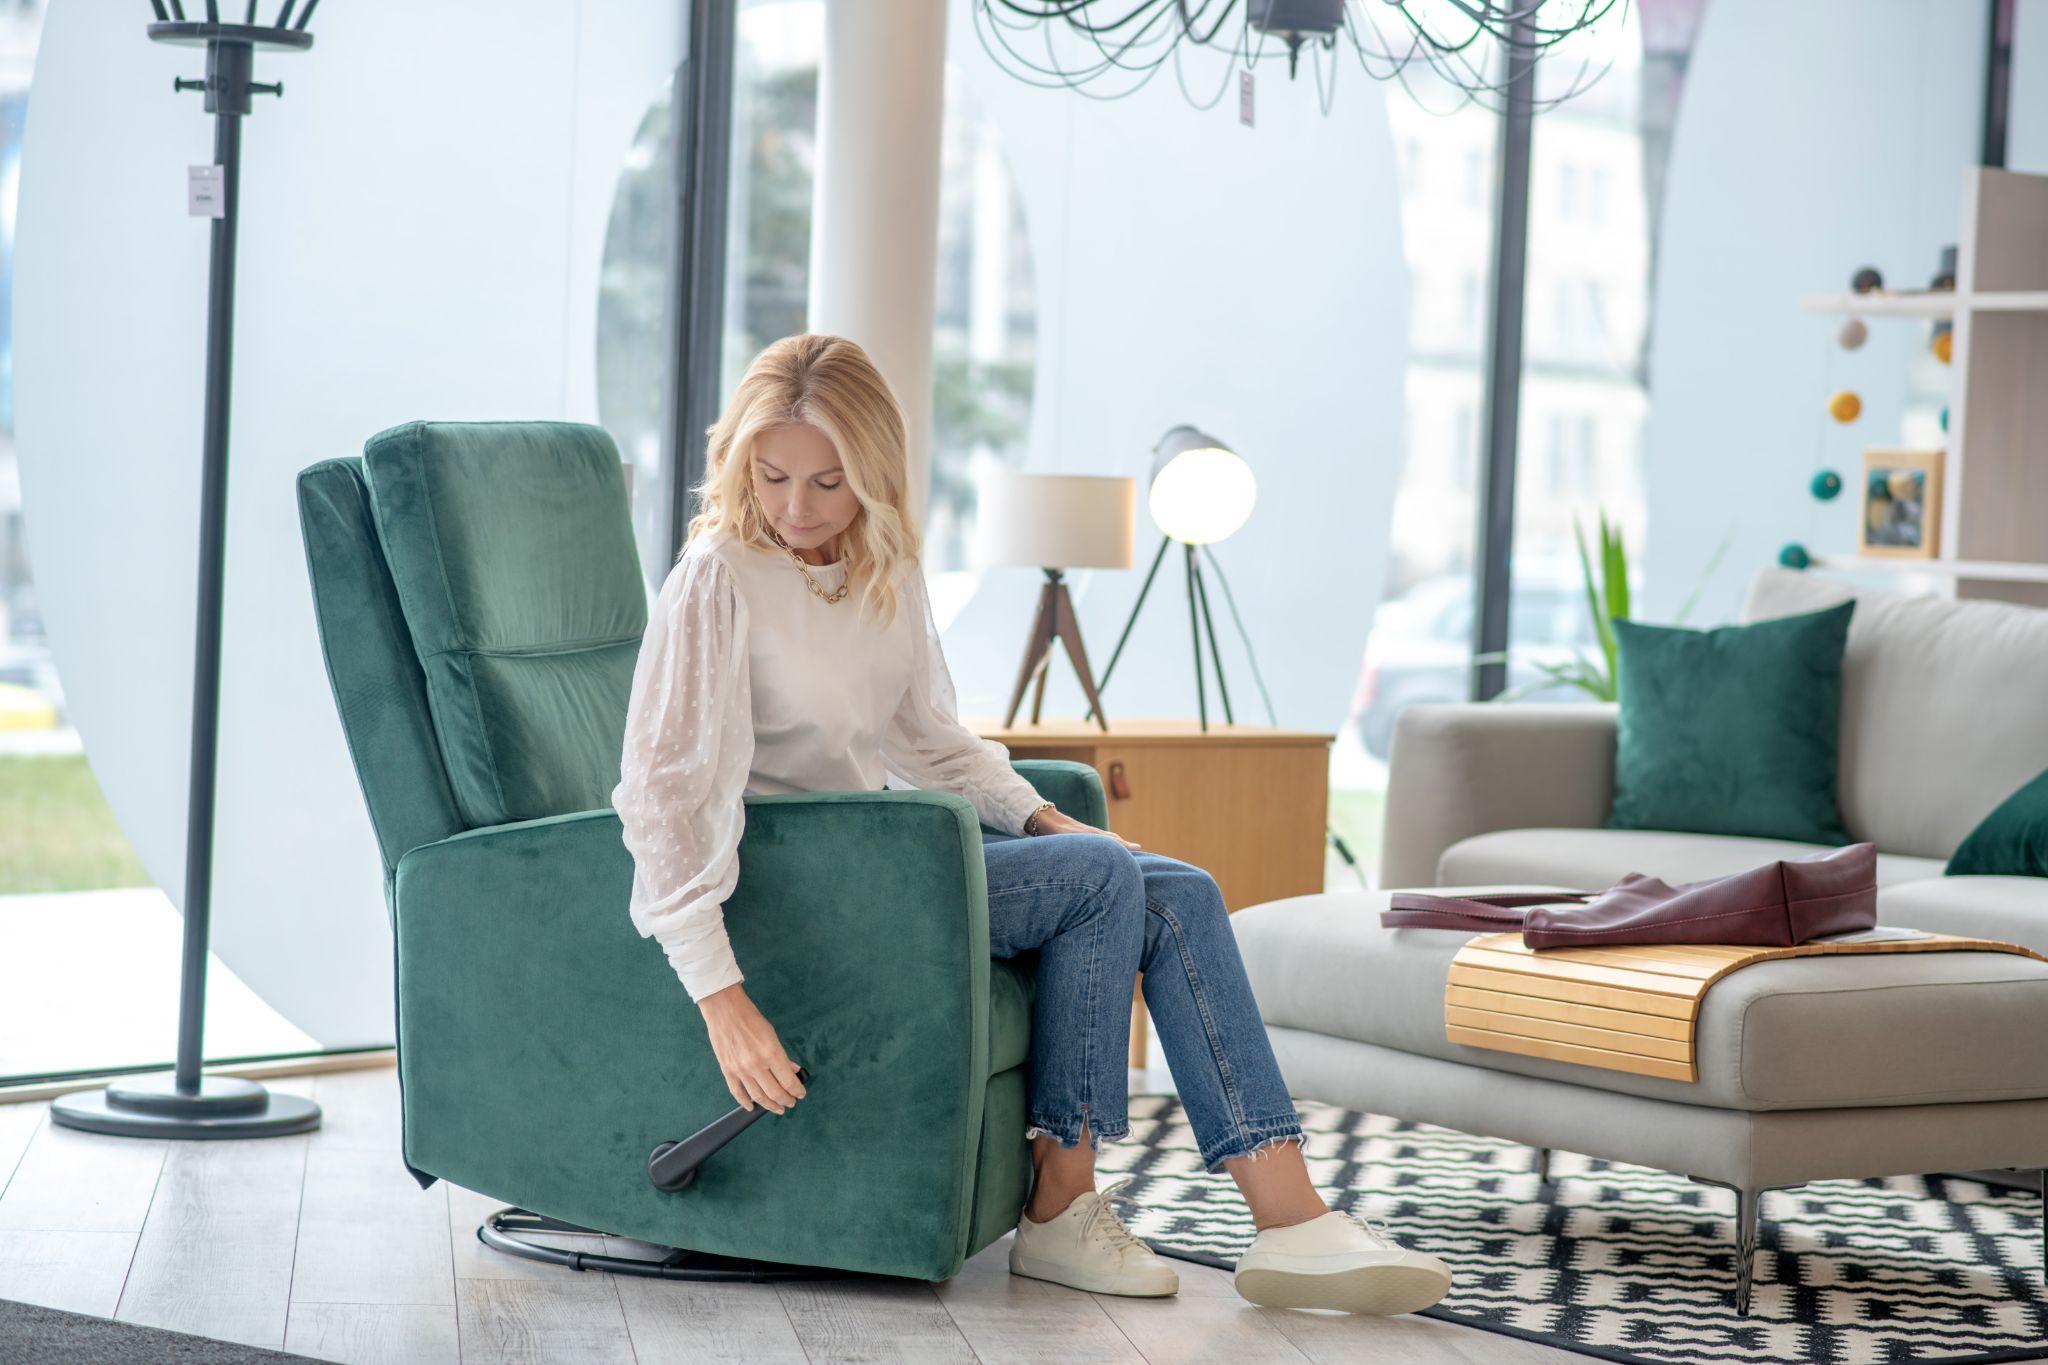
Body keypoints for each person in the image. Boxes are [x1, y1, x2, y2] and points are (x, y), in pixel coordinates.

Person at [610, 333, 1452, 1315]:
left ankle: (1290, 1216)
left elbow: (929, 740)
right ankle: (1060, 1203)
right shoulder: (718, 576)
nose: (797, 506)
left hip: (887, 855)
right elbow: (661, 794)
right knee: (1101, 881)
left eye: (829, 482)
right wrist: (721, 996)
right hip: (798, 882)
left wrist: (1047, 820)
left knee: (1176, 891)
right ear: (741, 465)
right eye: (773, 477)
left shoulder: (882, 568)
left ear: (873, 474)